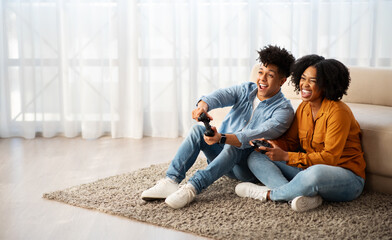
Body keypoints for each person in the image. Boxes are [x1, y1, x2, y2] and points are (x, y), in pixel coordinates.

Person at [141, 45, 296, 209]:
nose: (262, 79)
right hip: (221, 157)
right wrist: (203, 107)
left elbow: (252, 135)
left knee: (236, 145)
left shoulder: (284, 110)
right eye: (260, 72)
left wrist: (221, 137)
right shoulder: (246, 90)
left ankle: (193, 187)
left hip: (245, 168)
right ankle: (171, 181)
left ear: (282, 81)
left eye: (270, 75)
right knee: (197, 131)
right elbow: (219, 96)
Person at [235, 55, 366, 212]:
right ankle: (296, 195)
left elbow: (330, 158)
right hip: (307, 169)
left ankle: (268, 194)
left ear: (326, 84)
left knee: (314, 173)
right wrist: (273, 146)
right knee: (256, 156)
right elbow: (291, 142)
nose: (305, 84)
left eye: (313, 80)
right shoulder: (304, 107)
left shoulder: (338, 112)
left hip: (346, 177)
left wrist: (287, 156)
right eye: (303, 78)